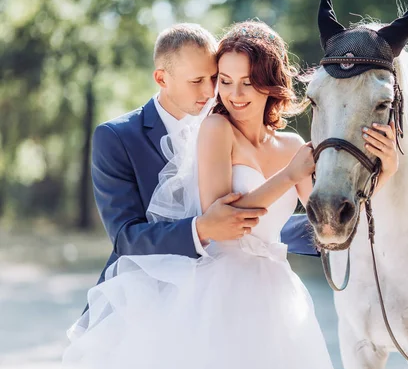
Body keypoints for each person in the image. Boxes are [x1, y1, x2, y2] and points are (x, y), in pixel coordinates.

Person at [62, 21, 399, 369]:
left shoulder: (290, 145)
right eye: (213, 80)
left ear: (269, 82)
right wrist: (277, 183)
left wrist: (388, 169)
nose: (216, 93)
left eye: (225, 79)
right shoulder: (177, 132)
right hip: (201, 287)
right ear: (162, 78)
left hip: (275, 289)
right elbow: (137, 234)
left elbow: (327, 216)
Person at [88, 23, 316, 290]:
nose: (211, 92)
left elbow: (268, 218)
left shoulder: (231, 121)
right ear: (162, 79)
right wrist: (202, 229)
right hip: (145, 292)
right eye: (197, 81)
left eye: (215, 78)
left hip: (245, 282)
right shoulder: (117, 137)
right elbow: (126, 237)